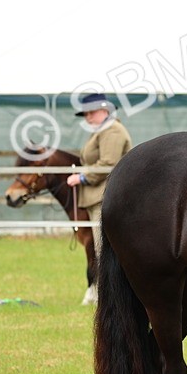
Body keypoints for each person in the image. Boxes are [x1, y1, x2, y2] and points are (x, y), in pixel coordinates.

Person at [66, 92, 132, 258]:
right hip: (98, 196)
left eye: (91, 112)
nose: (88, 117)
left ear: (105, 111)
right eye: (86, 114)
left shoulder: (112, 131)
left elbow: (108, 164)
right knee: (100, 249)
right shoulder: (101, 130)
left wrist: (81, 177)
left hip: (105, 195)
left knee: (104, 251)